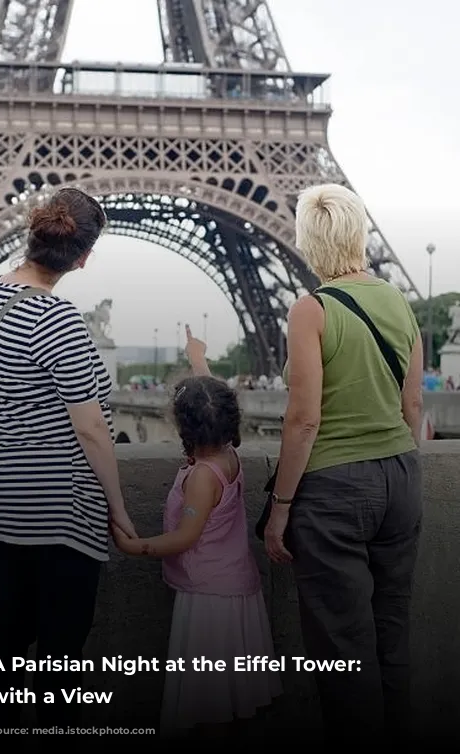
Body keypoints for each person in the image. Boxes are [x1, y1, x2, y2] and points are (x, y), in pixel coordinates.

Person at [0, 187, 137, 752]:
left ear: (33, 232)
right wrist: (118, 510)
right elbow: (91, 429)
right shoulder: (59, 318)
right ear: (83, 256)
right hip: (60, 505)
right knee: (61, 654)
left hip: (2, 494)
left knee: (9, 635)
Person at [264, 184, 423, 749]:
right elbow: (412, 407)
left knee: (342, 648)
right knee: (392, 633)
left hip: (334, 490)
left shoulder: (312, 308)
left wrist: (280, 509)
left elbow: (304, 420)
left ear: (310, 242)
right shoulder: (399, 302)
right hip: (401, 477)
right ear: (359, 232)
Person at [112, 325, 281, 738]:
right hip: (235, 587)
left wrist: (136, 547)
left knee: (207, 701)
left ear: (184, 428)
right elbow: (215, 400)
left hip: (209, 598)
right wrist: (198, 359)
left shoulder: (203, 476)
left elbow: (186, 537)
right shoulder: (229, 456)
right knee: (231, 697)